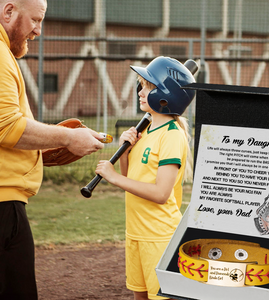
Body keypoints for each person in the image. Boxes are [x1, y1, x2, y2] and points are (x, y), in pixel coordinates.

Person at [0, 0, 104, 299]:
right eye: (35, 20)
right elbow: (6, 126)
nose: (38, 30)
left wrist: (40, 148)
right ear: (9, 11)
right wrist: (67, 138)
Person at [95, 56, 196, 300]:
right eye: (141, 85)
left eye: (148, 86)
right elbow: (132, 179)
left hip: (159, 236)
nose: (141, 92)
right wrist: (125, 152)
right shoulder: (146, 130)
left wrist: (112, 179)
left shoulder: (171, 135)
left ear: (165, 95)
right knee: (139, 296)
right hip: (136, 233)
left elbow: (161, 194)